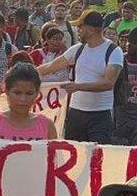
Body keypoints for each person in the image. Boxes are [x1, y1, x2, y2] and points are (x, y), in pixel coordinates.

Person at [36, 10, 123, 143]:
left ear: (91, 29)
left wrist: (78, 87)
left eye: (80, 27)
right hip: (76, 113)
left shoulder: (113, 51)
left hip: (100, 115)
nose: (78, 30)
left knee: (97, 157)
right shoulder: (77, 49)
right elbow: (49, 67)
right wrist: (18, 74)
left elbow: (108, 83)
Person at [0, 63, 57, 140]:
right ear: (7, 91)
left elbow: (54, 153)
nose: (23, 99)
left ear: (37, 94)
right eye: (17, 93)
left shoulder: (47, 126)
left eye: (29, 93)